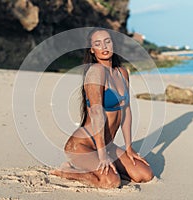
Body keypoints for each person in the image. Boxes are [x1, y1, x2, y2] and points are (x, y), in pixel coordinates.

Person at [50, 28, 154, 188]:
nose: (104, 47)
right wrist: (102, 155)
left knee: (144, 174)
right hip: (83, 146)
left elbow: (126, 111)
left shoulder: (122, 72)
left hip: (107, 144)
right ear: (92, 50)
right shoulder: (96, 71)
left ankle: (104, 167)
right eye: (97, 44)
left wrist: (128, 147)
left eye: (107, 41)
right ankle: (66, 171)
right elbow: (97, 113)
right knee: (111, 181)